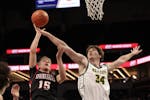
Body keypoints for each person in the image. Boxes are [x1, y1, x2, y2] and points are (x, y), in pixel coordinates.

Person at [34, 25, 143, 100]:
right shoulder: (84, 63)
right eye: (88, 51)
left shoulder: (105, 68)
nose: (90, 52)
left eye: (93, 51)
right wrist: (47, 34)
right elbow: (64, 46)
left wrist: (132, 54)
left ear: (100, 55)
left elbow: (121, 60)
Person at [29, 24, 66, 100]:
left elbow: (63, 77)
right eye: (44, 61)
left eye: (49, 62)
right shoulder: (34, 72)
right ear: (38, 65)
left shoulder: (54, 76)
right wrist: (38, 34)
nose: (47, 62)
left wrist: (59, 58)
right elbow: (32, 51)